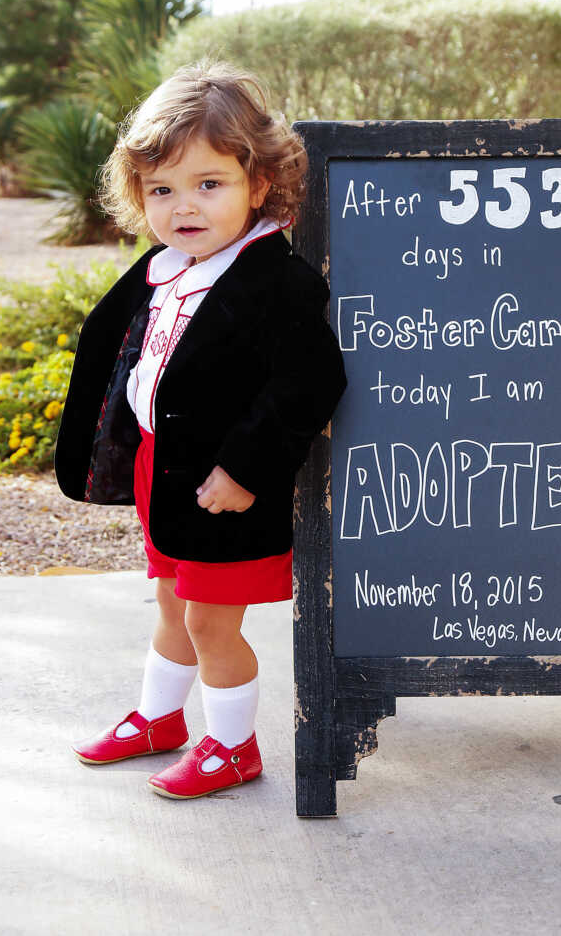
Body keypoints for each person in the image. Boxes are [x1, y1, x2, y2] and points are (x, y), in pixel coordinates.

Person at [54, 62, 347, 799]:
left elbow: (309, 382)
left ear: (260, 183)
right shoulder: (168, 265)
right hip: (166, 465)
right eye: (162, 190)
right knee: (170, 602)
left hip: (227, 484)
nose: (184, 206)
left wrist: (246, 470)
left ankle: (232, 745)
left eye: (208, 184)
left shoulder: (273, 279)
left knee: (214, 623)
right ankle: (160, 719)